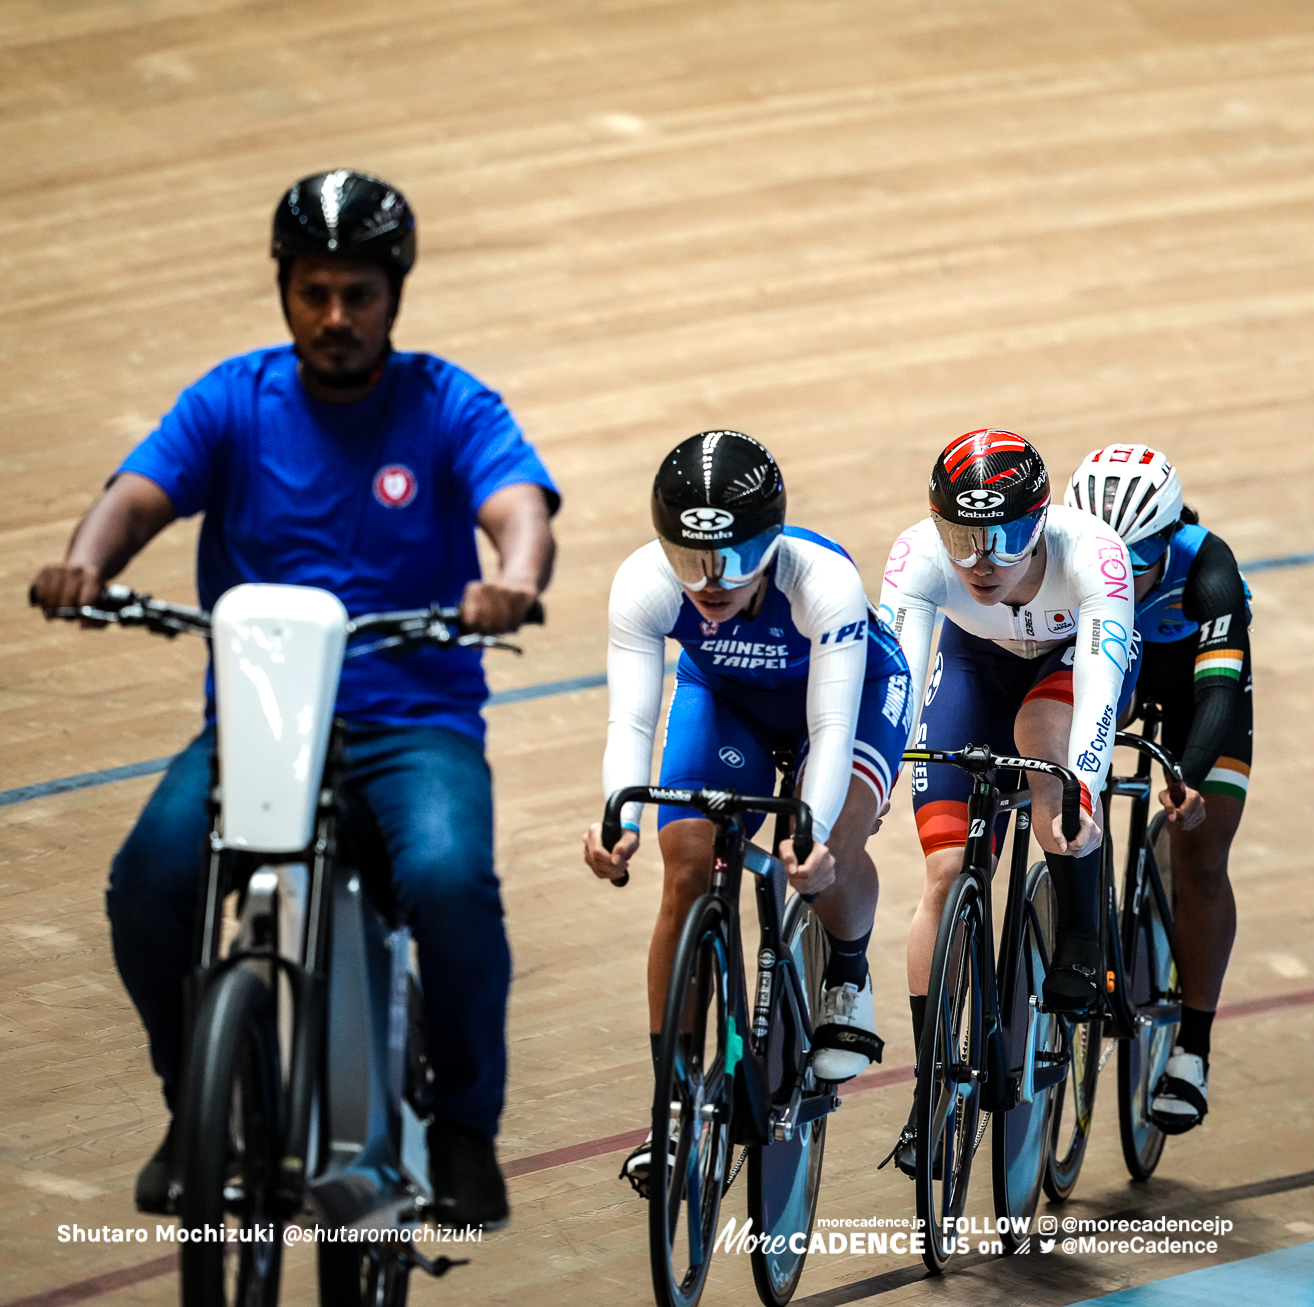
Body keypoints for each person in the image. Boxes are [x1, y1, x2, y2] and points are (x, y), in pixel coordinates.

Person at [31, 170, 559, 1229]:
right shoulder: (232, 397)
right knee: (148, 883)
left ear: (392, 297)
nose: (334, 317)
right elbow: (135, 495)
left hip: (415, 718)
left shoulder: (449, 401)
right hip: (262, 721)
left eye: (356, 294)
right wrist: (83, 562)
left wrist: (516, 576)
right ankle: (198, 1104)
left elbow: (517, 504)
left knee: (453, 884)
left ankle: (464, 1125)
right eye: (313, 292)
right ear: (284, 291)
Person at [581, 430, 911, 1183]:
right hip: (729, 701)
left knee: (831, 849)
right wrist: (616, 820)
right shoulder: (644, 583)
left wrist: (813, 831)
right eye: (689, 559)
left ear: (769, 542)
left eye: (730, 558)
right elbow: (630, 722)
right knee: (686, 865)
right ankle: (672, 1110)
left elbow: (829, 731)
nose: (709, 581)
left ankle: (848, 975)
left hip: (848, 697)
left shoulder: (820, 580)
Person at [877, 429, 1137, 1175]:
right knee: (947, 870)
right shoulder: (919, 557)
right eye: (963, 538)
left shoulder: (1094, 553)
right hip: (972, 668)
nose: (983, 562)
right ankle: (931, 1091)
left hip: (1065, 671)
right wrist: (877, 773)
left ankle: (1083, 938)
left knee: (1043, 743)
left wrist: (1082, 782)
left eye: (1007, 538)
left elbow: (1097, 691)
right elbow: (895, 676)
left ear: (1042, 519)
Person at [1064, 444, 1252, 1133]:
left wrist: (1188, 774)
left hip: (1196, 688)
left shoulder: (1208, 567)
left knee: (1200, 854)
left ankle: (1194, 1049)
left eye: (1137, 564)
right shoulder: (1061, 553)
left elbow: (1220, 689)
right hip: (1116, 661)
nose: (1122, 576)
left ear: (1167, 541)